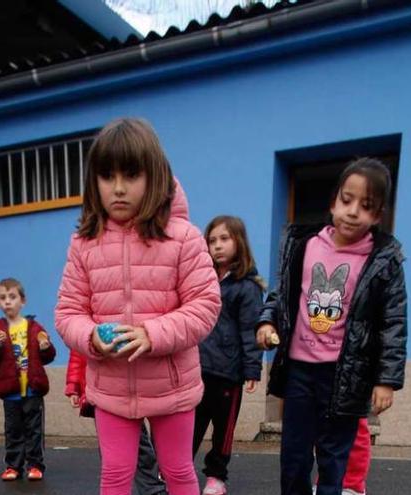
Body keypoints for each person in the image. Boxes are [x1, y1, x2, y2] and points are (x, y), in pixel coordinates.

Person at [55, 117, 221, 495]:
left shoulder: (183, 237)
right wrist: (92, 337)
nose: (117, 188)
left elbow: (206, 305)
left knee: (178, 472)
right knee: (114, 475)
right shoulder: (84, 243)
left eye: (131, 174)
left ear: (155, 177)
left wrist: (152, 334)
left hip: (172, 387)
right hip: (110, 387)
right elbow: (67, 313)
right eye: (106, 176)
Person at [255, 157, 407, 495]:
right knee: (293, 457)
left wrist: (386, 380)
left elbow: (393, 321)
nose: (353, 212)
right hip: (299, 371)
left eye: (366, 206)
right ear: (333, 202)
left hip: (345, 375)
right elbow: (281, 294)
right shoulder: (304, 245)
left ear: (378, 216)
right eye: (347, 200)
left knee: (333, 459)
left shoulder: (383, 261)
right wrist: (267, 322)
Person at [193, 216, 265, 495]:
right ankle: (178, 469)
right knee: (191, 426)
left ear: (239, 242)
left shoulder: (247, 287)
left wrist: (251, 370)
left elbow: (251, 331)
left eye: (224, 239)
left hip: (229, 373)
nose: (217, 246)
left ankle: (216, 477)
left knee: (223, 429)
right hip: (198, 369)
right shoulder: (203, 281)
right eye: (212, 240)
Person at [0, 278, 56, 482]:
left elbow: (49, 356)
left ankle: (35, 465)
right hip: (10, 391)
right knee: (13, 430)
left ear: (23, 301)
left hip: (33, 389)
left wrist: (45, 347)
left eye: (12, 297)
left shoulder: (35, 328)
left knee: (34, 430)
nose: (7, 302)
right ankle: (13, 466)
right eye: (2, 298)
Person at [66, 350, 168, 495]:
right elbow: (78, 351)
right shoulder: (88, 328)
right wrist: (74, 385)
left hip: (125, 389)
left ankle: (152, 489)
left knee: (139, 444)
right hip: (99, 392)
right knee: (111, 455)